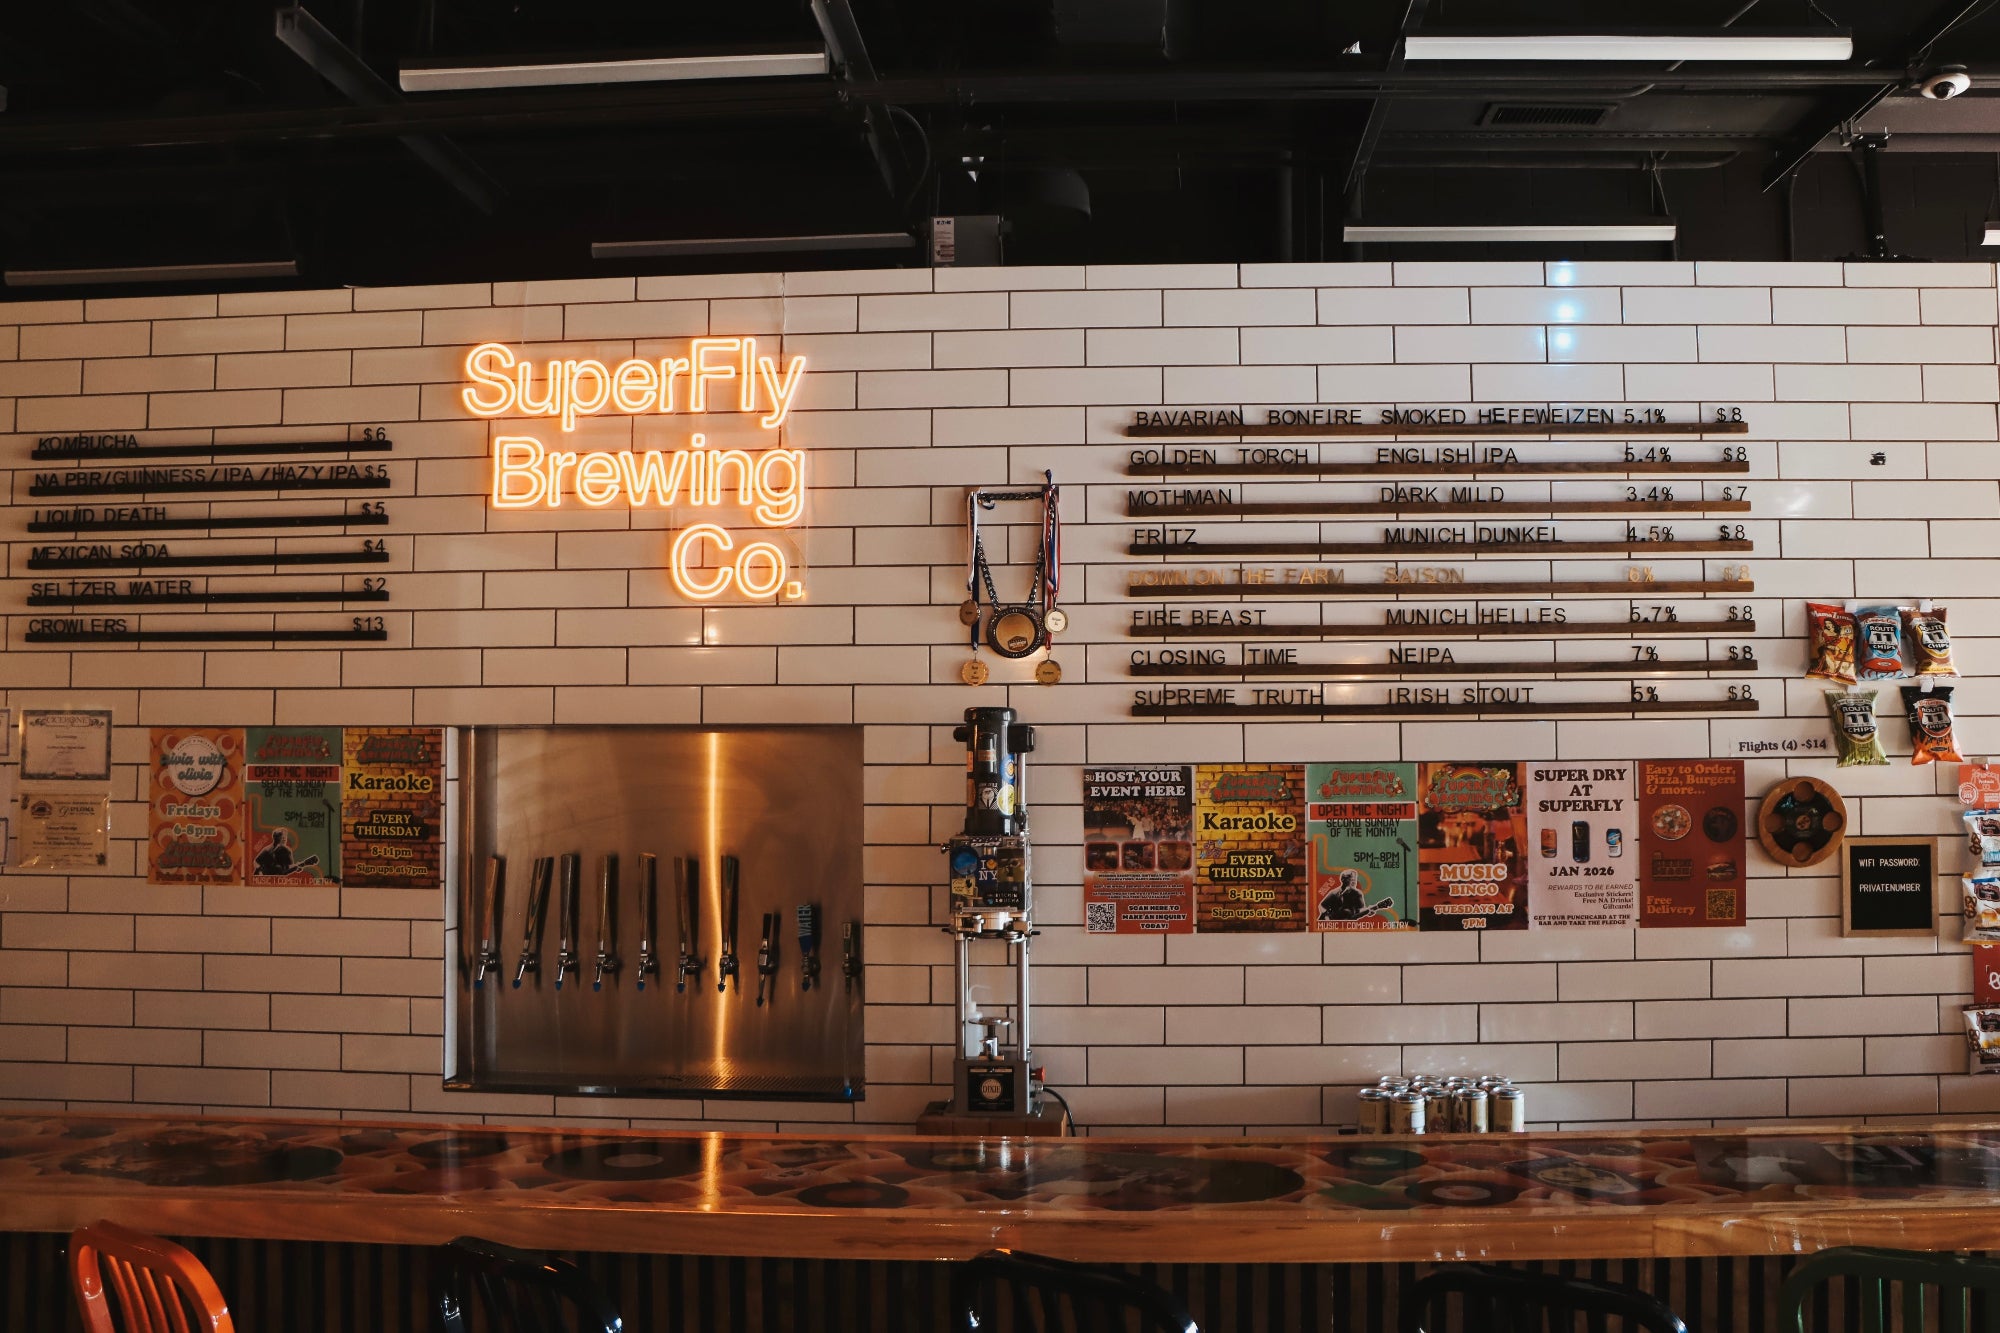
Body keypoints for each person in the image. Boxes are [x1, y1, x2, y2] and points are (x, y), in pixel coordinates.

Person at [254, 828, 319, 878]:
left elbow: (288, 867)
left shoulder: (287, 851)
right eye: (282, 837)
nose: (284, 839)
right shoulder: (267, 850)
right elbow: (256, 861)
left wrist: (297, 867)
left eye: (285, 837)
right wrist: (259, 872)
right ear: (275, 838)